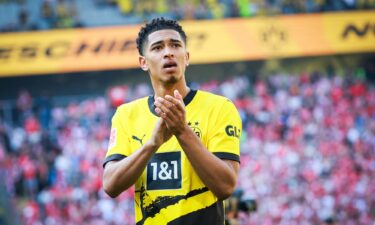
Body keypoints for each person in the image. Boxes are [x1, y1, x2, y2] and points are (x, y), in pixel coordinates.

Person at [102, 17, 242, 225]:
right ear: (143, 62)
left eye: (175, 45)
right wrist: (152, 144)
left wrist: (182, 131)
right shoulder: (126, 114)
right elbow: (111, 184)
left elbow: (225, 187)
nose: (168, 52)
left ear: (186, 57)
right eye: (157, 48)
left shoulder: (219, 107)